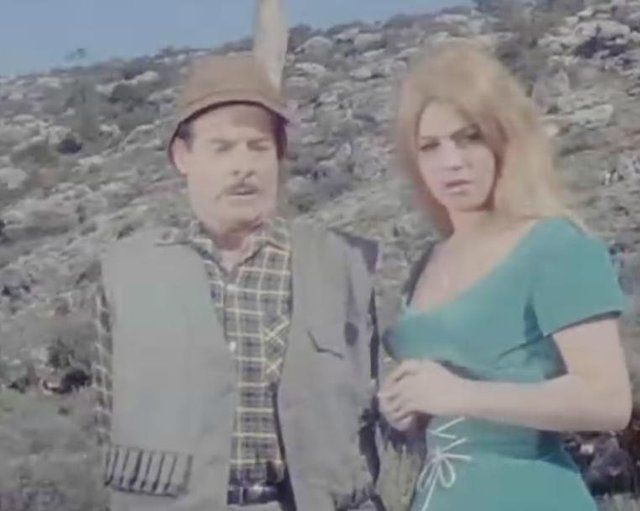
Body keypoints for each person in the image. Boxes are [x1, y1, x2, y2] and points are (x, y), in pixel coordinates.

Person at [91, 2, 382, 509]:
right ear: (183, 157)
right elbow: (106, 416)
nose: (242, 166)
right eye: (222, 148)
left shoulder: (340, 265)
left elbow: (371, 410)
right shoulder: (127, 273)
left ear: (279, 155)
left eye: (257, 147)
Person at [377, 40, 632, 511]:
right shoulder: (428, 261)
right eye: (430, 146)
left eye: (469, 137)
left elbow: (608, 400)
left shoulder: (555, 246)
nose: (451, 161)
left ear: (504, 138)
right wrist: (406, 409)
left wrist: (459, 395)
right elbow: (440, 409)